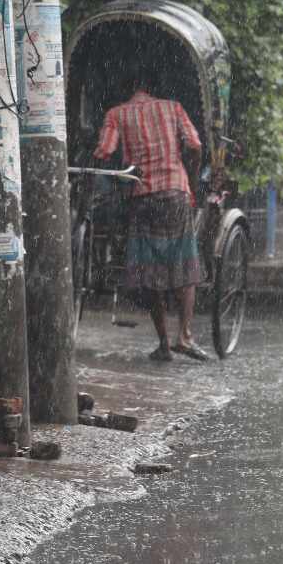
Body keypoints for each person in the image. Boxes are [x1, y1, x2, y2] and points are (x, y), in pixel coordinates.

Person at [94, 61, 206, 362]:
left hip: (143, 197)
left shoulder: (117, 114)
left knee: (150, 271)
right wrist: (190, 175)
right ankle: (185, 335)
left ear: (127, 88)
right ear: (152, 87)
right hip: (176, 192)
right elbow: (195, 145)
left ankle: (164, 344)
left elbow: (104, 152)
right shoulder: (173, 108)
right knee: (185, 265)